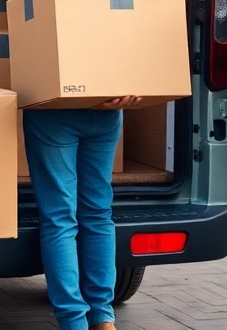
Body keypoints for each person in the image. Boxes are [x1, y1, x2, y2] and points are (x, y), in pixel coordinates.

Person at [22, 95, 142, 330]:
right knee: (98, 215)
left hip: (54, 110)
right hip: (108, 109)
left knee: (60, 219)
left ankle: (74, 322)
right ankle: (103, 318)